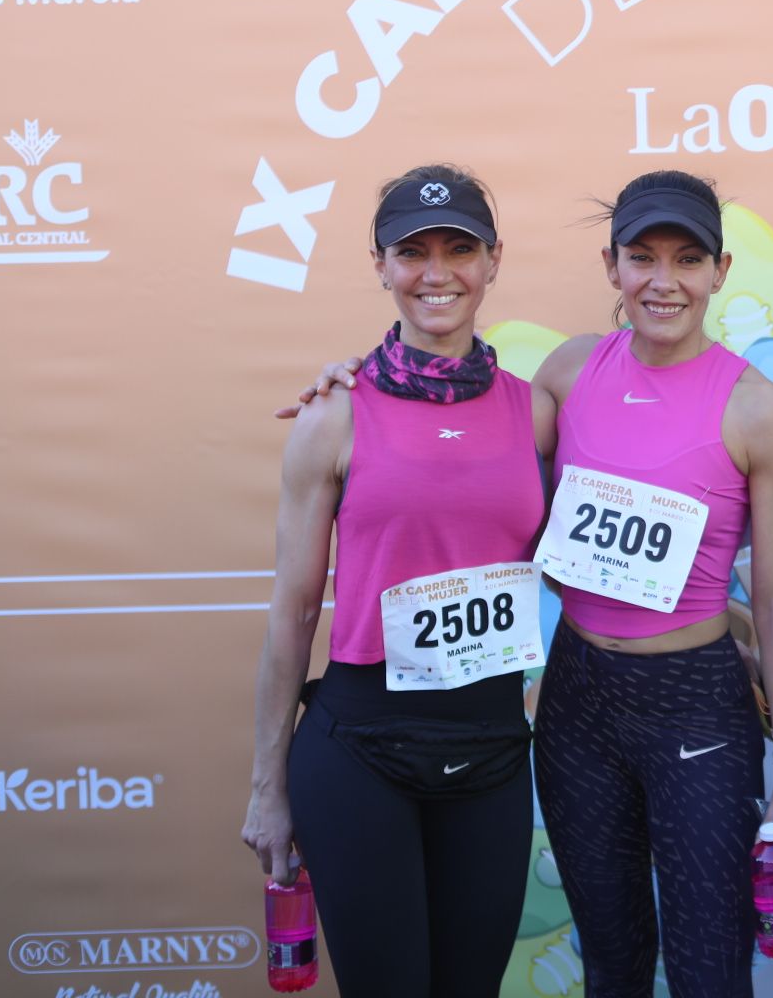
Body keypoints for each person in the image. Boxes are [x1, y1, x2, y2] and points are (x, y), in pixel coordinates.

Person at [242, 164, 547, 997]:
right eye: (412, 251)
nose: (437, 272)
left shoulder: (539, 411)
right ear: (379, 263)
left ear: (492, 263)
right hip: (362, 750)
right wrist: (267, 789)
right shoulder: (333, 413)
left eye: (460, 249)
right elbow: (294, 609)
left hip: (489, 750)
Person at [529, 170, 773, 998]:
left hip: (695, 701)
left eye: (687, 259)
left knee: (709, 967)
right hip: (578, 695)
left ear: (721, 271)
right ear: (611, 265)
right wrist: (370, 382)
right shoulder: (567, 371)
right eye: (642, 258)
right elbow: (474, 470)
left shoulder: (758, 409)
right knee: (612, 963)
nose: (664, 282)